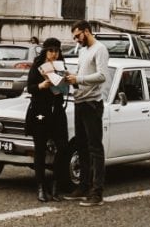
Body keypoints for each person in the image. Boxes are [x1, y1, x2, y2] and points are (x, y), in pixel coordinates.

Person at [64, 20, 109, 206]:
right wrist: (69, 78)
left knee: (95, 148)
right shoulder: (82, 51)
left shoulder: (100, 49)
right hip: (79, 102)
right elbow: (81, 75)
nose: (76, 40)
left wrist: (79, 79)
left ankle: (97, 193)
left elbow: (102, 75)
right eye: (74, 37)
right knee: (81, 146)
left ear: (87, 31)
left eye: (77, 36)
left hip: (92, 104)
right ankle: (83, 186)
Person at [25, 37, 70, 203]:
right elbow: (29, 87)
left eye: (57, 51)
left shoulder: (60, 66)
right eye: (51, 51)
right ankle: (41, 187)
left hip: (57, 111)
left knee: (63, 147)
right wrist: (40, 86)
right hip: (40, 112)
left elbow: (65, 90)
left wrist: (65, 83)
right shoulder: (37, 67)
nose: (54, 54)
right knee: (40, 149)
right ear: (45, 51)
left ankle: (56, 186)